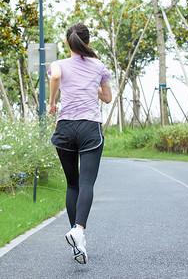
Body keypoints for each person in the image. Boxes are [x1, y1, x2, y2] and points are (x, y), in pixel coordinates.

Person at [47, 23, 112, 264]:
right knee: (86, 183)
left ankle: (78, 244)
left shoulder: (59, 64)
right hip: (89, 128)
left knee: (72, 184)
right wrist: (91, 87)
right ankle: (79, 230)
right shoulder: (99, 66)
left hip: (65, 128)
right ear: (87, 42)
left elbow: (55, 76)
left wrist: (52, 102)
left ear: (68, 43)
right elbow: (107, 98)